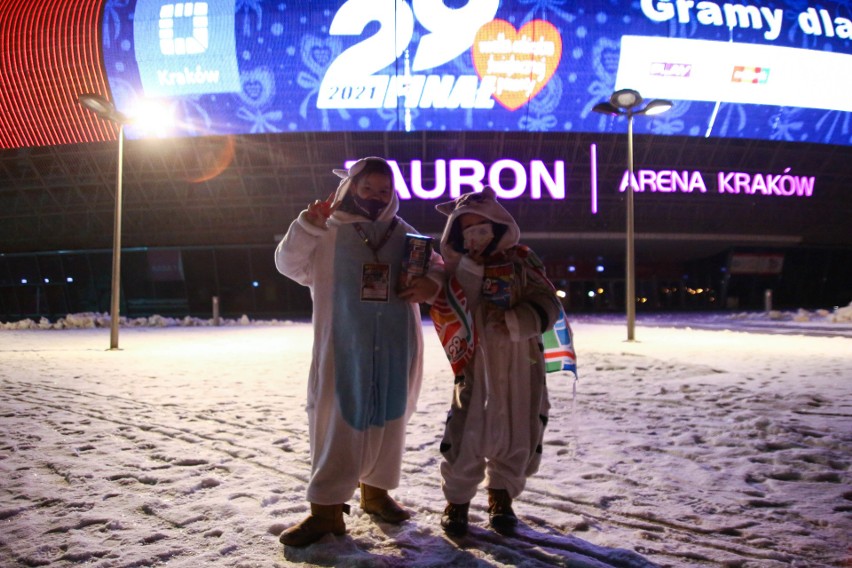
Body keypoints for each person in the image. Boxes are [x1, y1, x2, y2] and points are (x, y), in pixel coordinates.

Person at [274, 157, 443, 547]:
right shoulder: (327, 230)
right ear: (351, 188)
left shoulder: (402, 232)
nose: (376, 197)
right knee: (337, 422)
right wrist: (307, 225)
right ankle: (326, 512)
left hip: (397, 345)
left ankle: (377, 493)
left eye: (383, 190)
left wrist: (428, 285)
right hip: (342, 347)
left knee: (390, 418)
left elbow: (436, 265)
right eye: (368, 189)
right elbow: (288, 264)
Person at [430, 187, 563, 537]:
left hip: (521, 360)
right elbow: (442, 302)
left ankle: (502, 497)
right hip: (474, 361)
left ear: (499, 226)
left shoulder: (522, 261)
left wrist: (519, 320)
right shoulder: (455, 269)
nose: (476, 234)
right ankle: (457, 501)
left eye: (482, 226)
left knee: (519, 426)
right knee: (467, 429)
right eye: (467, 228)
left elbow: (547, 301)